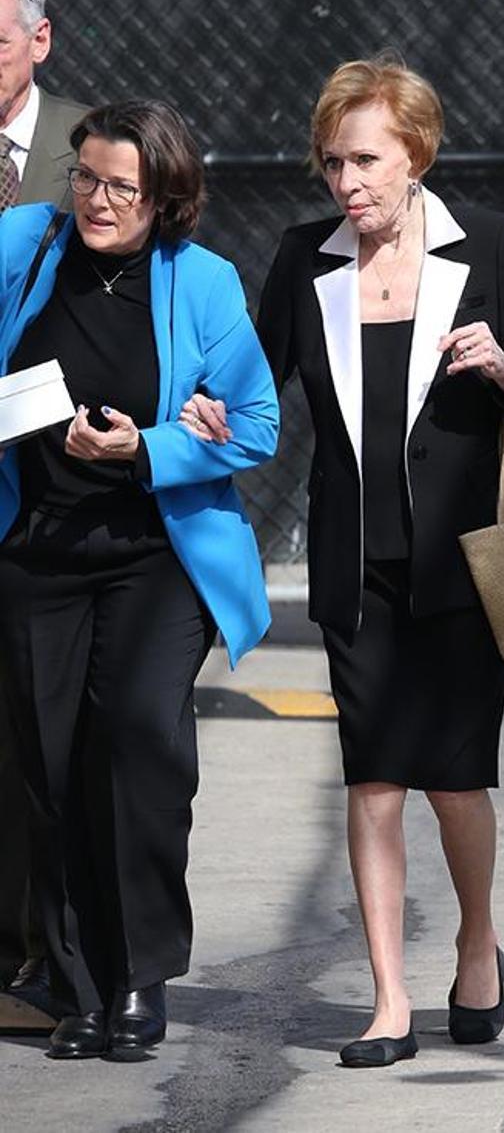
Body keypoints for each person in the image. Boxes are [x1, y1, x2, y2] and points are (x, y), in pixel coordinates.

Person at [183, 55, 504, 1068]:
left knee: (455, 783)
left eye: (364, 161)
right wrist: (212, 415)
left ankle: (476, 944)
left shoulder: (489, 245)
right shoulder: (304, 258)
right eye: (331, 163)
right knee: (374, 780)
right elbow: (255, 391)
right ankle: (389, 999)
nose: (345, 182)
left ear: (415, 155)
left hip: (465, 567)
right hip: (357, 567)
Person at [0, 98, 278, 1060]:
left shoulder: (202, 281)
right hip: (37, 549)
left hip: (155, 556)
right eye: (86, 176)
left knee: (135, 743)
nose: (98, 200)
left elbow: (257, 424)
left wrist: (146, 447)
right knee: (50, 765)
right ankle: (76, 983)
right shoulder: (24, 246)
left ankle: (139, 975)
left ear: (165, 197)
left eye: (123, 186)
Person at [0, 0, 88, 1009]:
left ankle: (43, 947)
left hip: (57, 478)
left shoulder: (92, 150)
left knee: (41, 726)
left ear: (41, 39)